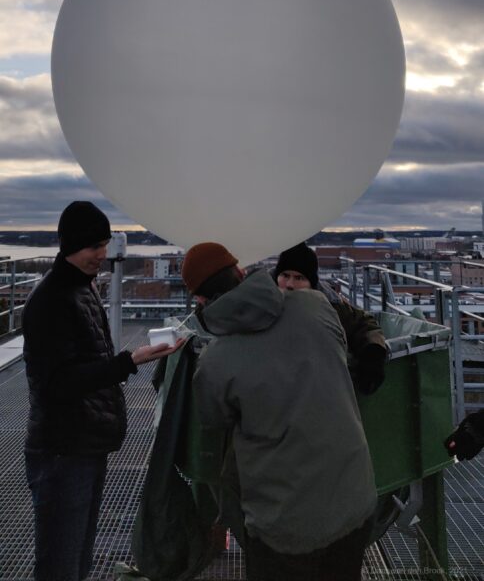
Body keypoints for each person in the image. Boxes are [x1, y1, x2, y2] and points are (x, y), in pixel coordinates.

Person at [182, 242, 377, 581]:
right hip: (354, 499)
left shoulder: (214, 362)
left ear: (200, 300)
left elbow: (215, 418)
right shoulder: (316, 306)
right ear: (242, 274)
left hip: (283, 522)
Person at [22, 200, 183, 581]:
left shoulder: (79, 288)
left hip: (83, 443)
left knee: (77, 557)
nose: (103, 254)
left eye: (105, 245)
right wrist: (130, 361)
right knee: (61, 562)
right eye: (94, 246)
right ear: (71, 245)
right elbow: (58, 383)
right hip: (62, 449)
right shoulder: (51, 300)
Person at [273, 242, 387, 395]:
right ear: (276, 276)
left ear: (311, 284)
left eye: (299, 278)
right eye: (285, 275)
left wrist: (372, 352)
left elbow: (364, 324)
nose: (290, 284)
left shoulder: (332, 305)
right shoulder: (259, 301)